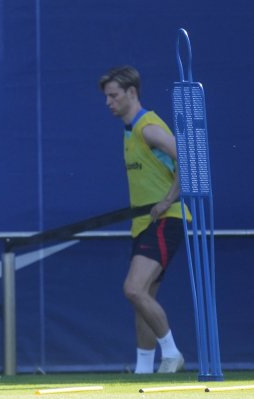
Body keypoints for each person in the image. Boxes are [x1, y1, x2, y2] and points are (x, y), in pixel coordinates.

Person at [99, 66, 191, 374]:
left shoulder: (147, 128)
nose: (108, 102)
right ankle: (142, 370)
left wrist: (167, 200)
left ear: (132, 93)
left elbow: (188, 158)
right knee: (143, 299)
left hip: (168, 220)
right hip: (144, 224)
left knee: (133, 289)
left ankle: (172, 353)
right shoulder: (129, 132)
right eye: (106, 97)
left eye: (113, 96)